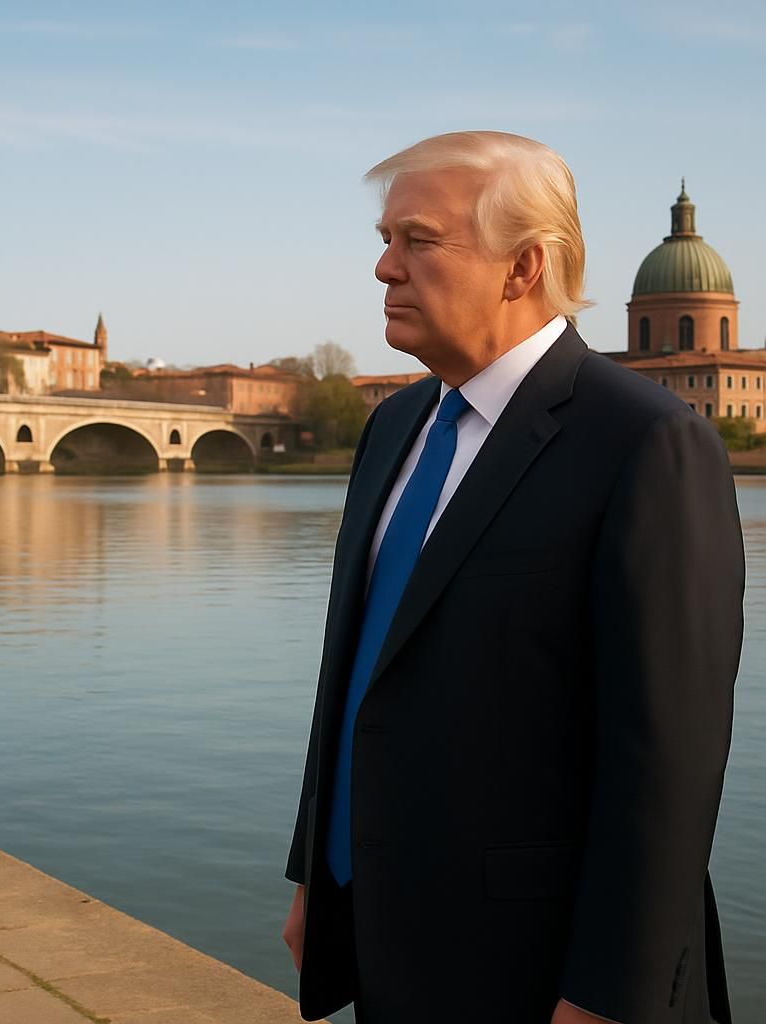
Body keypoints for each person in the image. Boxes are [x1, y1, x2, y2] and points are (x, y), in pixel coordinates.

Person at [281, 131, 744, 1024]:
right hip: (387, 929)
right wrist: (317, 873)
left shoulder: (646, 443)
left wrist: (610, 996)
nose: (384, 267)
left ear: (522, 265)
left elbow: (669, 761)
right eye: (384, 240)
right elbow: (355, 675)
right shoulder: (394, 428)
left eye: (417, 241)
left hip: (540, 971)